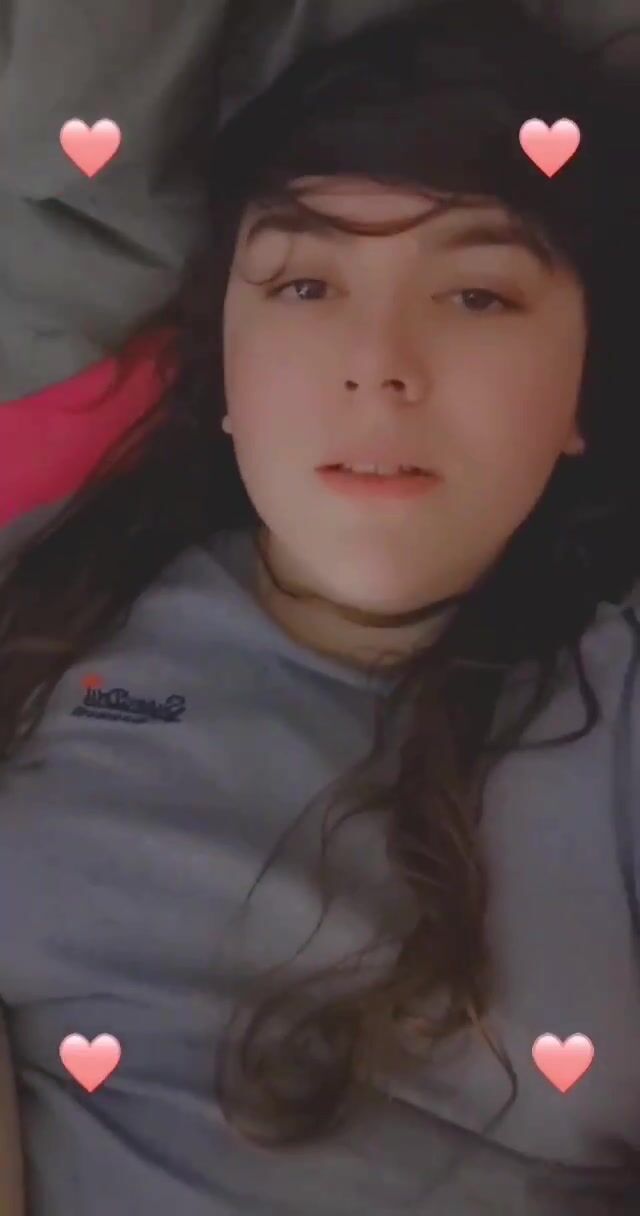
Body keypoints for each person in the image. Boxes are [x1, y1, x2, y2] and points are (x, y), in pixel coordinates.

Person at [0, 1, 638, 1212]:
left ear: (582, 393)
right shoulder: (45, 608)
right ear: (222, 374)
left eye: (477, 295)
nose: (378, 363)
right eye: (303, 284)